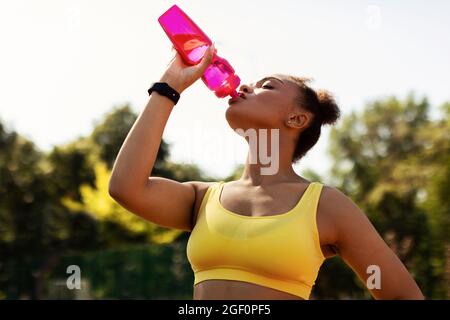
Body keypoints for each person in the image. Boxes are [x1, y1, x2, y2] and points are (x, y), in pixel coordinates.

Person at [108, 44, 424, 300]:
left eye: (267, 86)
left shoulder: (325, 206)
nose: (245, 86)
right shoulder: (204, 199)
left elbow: (402, 296)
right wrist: (169, 86)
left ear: (297, 120)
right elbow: (126, 188)